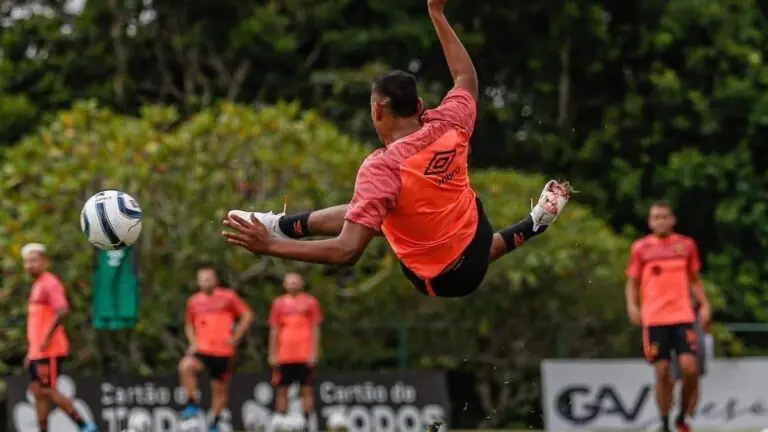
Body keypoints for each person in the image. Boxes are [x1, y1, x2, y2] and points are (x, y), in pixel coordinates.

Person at [222, 0, 572, 298]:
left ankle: (280, 229)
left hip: (437, 279)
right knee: (399, 206)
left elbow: (347, 251)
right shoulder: (449, 123)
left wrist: (271, 248)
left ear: (377, 110)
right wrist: (437, 13)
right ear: (419, 105)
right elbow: (466, 79)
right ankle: (535, 223)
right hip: (477, 236)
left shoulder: (383, 167)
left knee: (381, 208)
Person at [625, 202, 711, 432]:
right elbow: (632, 282)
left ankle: (682, 416)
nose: (660, 221)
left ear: (672, 219)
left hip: (683, 315)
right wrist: (633, 306)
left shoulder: (686, 245)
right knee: (662, 371)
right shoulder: (641, 248)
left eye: (664, 217)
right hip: (655, 318)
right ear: (650, 222)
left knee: (690, 368)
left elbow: (694, 279)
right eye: (656, 217)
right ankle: (664, 422)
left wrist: (704, 304)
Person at [22, 243, 98, 432]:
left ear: (44, 262)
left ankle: (85, 426)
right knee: (38, 391)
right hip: (37, 352)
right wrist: (30, 352)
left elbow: (62, 310)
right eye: (27, 262)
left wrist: (46, 338)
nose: (30, 265)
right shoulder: (37, 285)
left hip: (49, 350)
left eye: (34, 260)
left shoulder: (50, 283)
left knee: (47, 389)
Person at [179, 264, 254, 432]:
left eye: (209, 278)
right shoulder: (194, 301)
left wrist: (235, 337)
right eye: (203, 279)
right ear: (198, 282)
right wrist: (193, 342)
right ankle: (192, 403)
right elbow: (188, 324)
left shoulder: (228, 297)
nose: (206, 281)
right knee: (186, 366)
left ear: (216, 280)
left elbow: (247, 315)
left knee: (219, 390)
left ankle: (214, 422)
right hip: (203, 349)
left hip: (223, 351)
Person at [268, 272, 322, 429]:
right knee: (282, 389)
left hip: (304, 354)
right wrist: (272, 353)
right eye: (289, 281)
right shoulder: (278, 304)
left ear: (302, 283)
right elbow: (274, 329)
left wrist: (314, 352)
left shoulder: (310, 302)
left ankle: (307, 422)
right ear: (284, 284)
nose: (292, 284)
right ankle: (281, 421)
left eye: (295, 281)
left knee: (306, 389)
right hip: (284, 355)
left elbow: (315, 328)